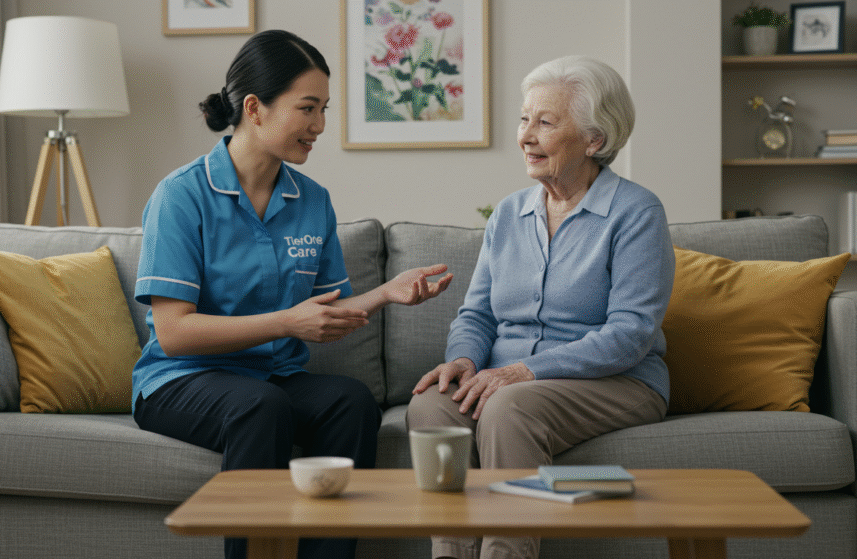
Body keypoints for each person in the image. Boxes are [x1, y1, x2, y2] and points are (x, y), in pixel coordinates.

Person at [133, 30, 453, 559]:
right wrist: (286, 323)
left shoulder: (311, 200)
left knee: (350, 403)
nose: (320, 126)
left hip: (271, 378)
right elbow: (173, 333)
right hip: (178, 379)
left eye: (324, 109)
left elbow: (322, 312)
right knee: (261, 408)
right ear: (254, 108)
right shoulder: (181, 196)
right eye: (308, 108)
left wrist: (386, 294)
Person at [407, 55, 675, 559]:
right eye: (524, 119)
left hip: (617, 380)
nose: (526, 136)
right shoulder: (509, 213)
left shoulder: (636, 212)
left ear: (595, 140)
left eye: (546, 123)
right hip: (510, 375)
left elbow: (631, 333)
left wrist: (524, 370)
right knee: (430, 404)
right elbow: (478, 313)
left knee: (508, 406)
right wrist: (464, 359)